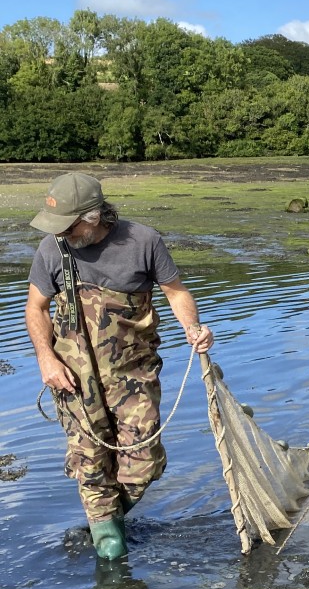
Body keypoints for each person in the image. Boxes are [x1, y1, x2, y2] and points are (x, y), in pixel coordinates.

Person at [25, 173, 214, 562]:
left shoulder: (144, 241)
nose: (59, 233)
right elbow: (36, 308)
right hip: (74, 381)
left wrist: (194, 329)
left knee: (144, 462)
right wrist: (46, 358)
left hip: (133, 374)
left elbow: (176, 293)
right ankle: (109, 551)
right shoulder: (51, 248)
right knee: (90, 465)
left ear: (93, 217)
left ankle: (106, 517)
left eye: (68, 224)